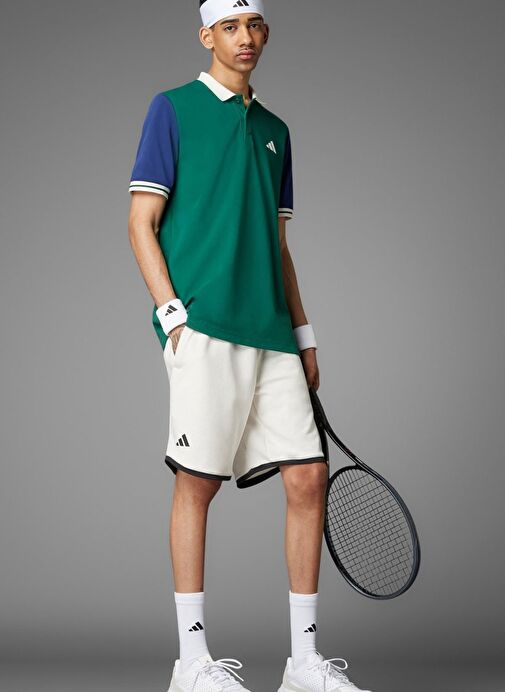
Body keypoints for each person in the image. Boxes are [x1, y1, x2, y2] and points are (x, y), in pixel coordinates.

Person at [127, 1, 374, 690]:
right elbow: (141, 221)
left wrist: (304, 333)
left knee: (308, 478)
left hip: (273, 333)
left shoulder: (276, 131)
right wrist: (172, 316)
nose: (246, 38)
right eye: (231, 27)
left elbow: (277, 244)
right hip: (205, 328)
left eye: (255, 25)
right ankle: (192, 663)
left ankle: (303, 665)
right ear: (207, 35)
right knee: (198, 482)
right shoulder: (172, 109)